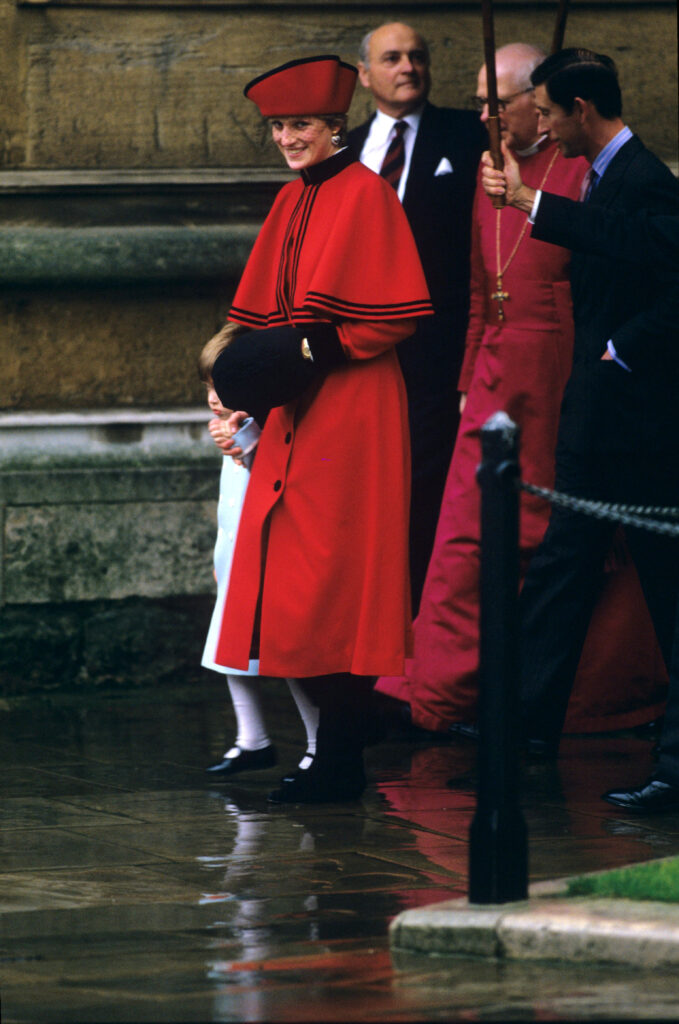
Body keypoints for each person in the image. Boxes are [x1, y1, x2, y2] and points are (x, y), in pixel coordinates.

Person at [376, 43, 667, 737]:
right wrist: (466, 375)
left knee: (572, 545)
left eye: (503, 103)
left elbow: (624, 263)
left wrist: (602, 358)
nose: (484, 114)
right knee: (494, 544)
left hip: (572, 375)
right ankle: (481, 701)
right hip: (504, 378)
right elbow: (482, 290)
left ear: (564, 110)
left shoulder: (607, 173)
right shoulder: (497, 170)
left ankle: (552, 716)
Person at [209, 55, 433, 804]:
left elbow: (393, 315)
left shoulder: (366, 194)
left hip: (353, 408)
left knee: (338, 581)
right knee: (284, 578)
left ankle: (336, 753)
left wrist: (306, 351)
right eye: (277, 127)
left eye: (299, 124)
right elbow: (259, 316)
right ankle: (336, 742)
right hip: (293, 409)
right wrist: (241, 383)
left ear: (333, 125)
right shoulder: (288, 200)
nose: (287, 138)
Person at [481, 47, 679, 807]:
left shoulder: (646, 179)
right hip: (599, 422)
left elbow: (658, 260)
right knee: (562, 569)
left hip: (646, 428)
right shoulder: (603, 177)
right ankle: (521, 730)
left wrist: (615, 351)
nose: (545, 125)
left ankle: (670, 770)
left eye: (551, 112)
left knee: (667, 593)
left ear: (583, 111)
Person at [348, 23, 487, 612]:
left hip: (439, 355)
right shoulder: (344, 150)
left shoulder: (470, 133)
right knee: (366, 496)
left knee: (429, 495)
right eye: (393, 57)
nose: (408, 67)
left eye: (418, 57)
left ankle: (420, 642)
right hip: (360, 358)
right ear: (364, 74)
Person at [197, 324, 279, 778]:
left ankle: (315, 746)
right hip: (233, 559)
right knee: (229, 654)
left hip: (264, 558)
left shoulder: (262, 428)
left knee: (286, 657)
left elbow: (261, 467)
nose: (212, 395)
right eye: (208, 385)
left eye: (220, 385)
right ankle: (252, 739)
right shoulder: (226, 426)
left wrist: (240, 441)